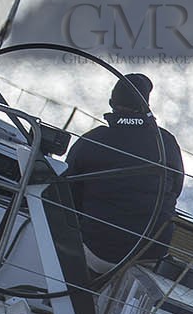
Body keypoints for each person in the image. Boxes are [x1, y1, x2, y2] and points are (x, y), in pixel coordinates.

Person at [63, 73, 185, 276]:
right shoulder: (167, 142)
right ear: (146, 106)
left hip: (99, 254)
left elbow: (67, 194)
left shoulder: (92, 140)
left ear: (111, 103)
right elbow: (175, 190)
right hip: (151, 255)